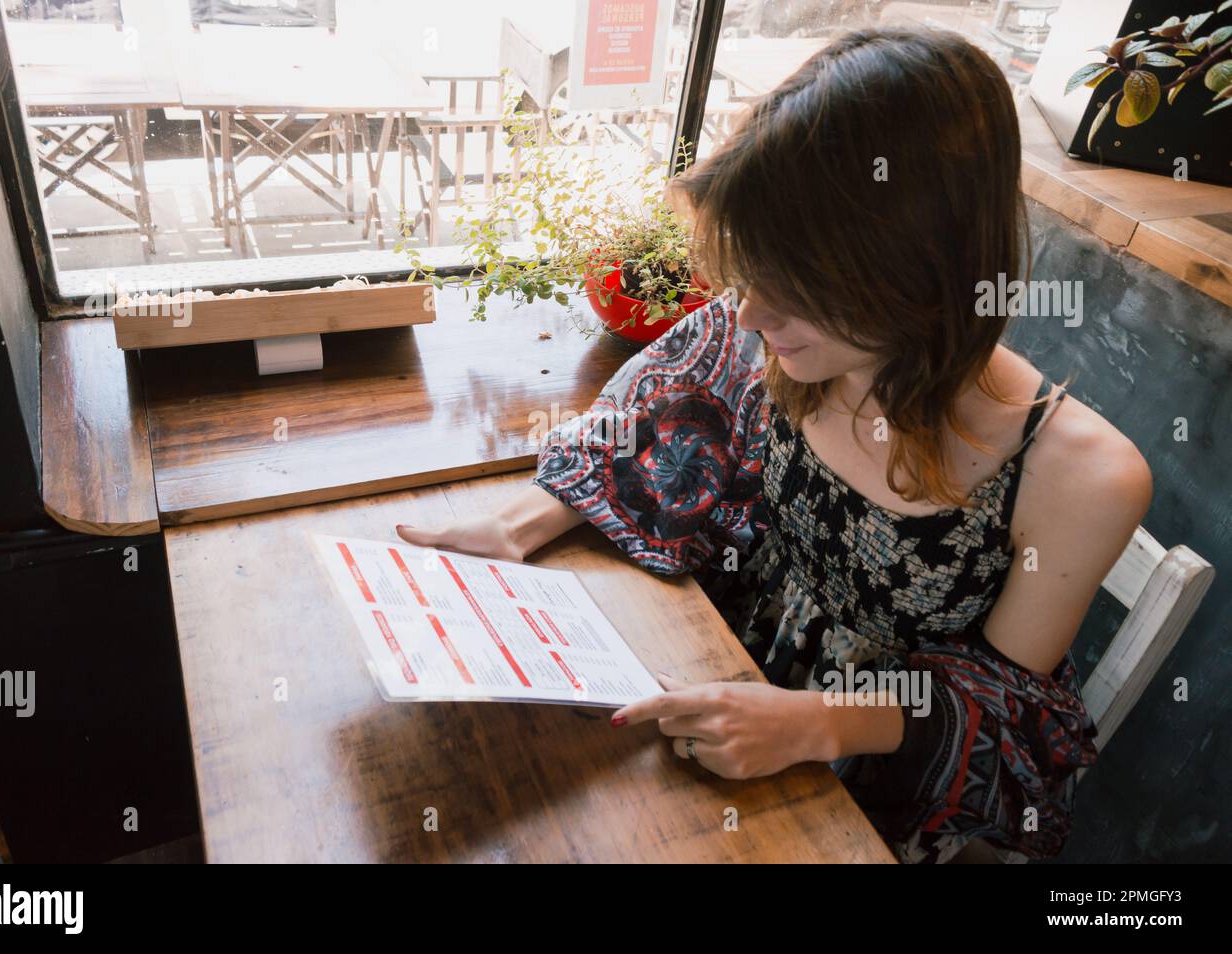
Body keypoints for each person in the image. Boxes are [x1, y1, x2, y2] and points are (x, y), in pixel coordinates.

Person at [398, 27, 1152, 864]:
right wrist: (517, 526)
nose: (749, 314)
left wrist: (814, 722)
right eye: (748, 277)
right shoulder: (778, 333)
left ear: (914, 271)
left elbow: (999, 706)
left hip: (865, 774)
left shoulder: (1081, 476)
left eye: (789, 291)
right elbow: (661, 419)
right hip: (712, 666)